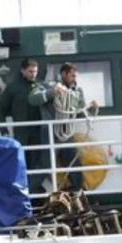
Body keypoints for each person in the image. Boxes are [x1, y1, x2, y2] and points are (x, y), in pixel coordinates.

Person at [0, 59, 51, 192]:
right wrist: (4, 130)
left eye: (35, 72)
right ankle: (22, 193)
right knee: (21, 163)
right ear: (23, 71)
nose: (33, 74)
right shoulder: (13, 87)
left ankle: (32, 192)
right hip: (21, 132)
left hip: (38, 131)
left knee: (37, 162)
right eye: (30, 71)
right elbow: (1, 108)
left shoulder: (40, 86)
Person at [43, 63, 99, 191]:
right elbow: (37, 99)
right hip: (51, 132)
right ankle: (35, 192)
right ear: (63, 74)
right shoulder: (51, 86)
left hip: (66, 133)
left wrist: (93, 109)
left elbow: (80, 112)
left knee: (72, 159)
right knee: (44, 164)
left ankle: (77, 191)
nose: (75, 79)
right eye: (72, 76)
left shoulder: (77, 91)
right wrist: (53, 92)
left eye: (75, 76)